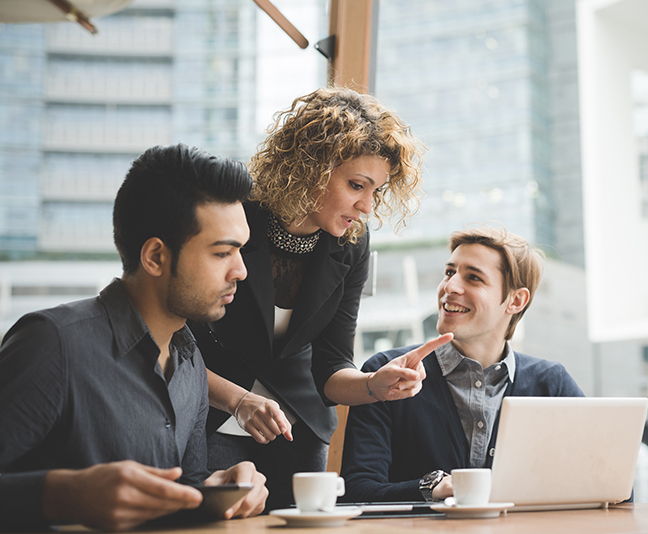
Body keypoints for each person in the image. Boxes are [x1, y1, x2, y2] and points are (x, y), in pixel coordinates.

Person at [189, 87, 451, 510]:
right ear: (310, 166)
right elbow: (173, 347)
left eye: (376, 192)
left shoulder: (350, 244)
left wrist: (373, 386)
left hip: (298, 431)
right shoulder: (235, 213)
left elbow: (330, 363)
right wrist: (237, 399)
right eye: (356, 185)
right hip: (209, 419)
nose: (366, 206)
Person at [0, 144, 268, 531]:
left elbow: (182, 491)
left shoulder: (190, 361)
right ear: (156, 257)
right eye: (222, 253)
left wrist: (218, 489)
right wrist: (64, 495)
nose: (240, 271)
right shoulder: (53, 344)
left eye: (240, 252)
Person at [340, 228, 584, 503]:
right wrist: (431, 488)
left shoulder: (551, 383)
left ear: (516, 300)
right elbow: (356, 491)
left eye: (473, 277)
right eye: (449, 272)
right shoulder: (388, 372)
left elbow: (608, 483)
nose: (450, 287)